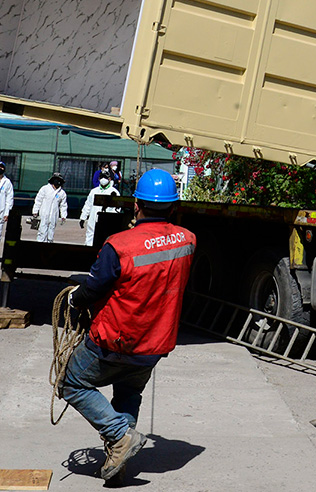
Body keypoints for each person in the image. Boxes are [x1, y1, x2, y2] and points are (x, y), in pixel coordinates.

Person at [60, 169, 193, 485]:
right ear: (173, 207)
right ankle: (117, 465)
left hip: (115, 340)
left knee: (72, 382)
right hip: (155, 344)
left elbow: (93, 289)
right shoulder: (188, 240)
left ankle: (121, 437)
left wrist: (74, 299)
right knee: (128, 391)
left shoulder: (119, 245)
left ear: (137, 204)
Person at [79, 171, 122, 247]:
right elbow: (88, 205)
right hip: (92, 220)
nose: (103, 179)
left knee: (104, 240)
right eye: (101, 177)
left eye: (105, 177)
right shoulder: (94, 191)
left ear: (109, 179)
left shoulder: (114, 192)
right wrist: (83, 217)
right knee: (90, 238)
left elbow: (117, 209)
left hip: (106, 221)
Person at [33, 173, 68, 243]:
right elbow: (38, 200)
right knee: (42, 232)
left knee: (50, 234)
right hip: (44, 214)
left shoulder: (62, 193)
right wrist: (35, 211)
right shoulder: (45, 189)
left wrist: (63, 215)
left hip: (53, 216)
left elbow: (63, 205)